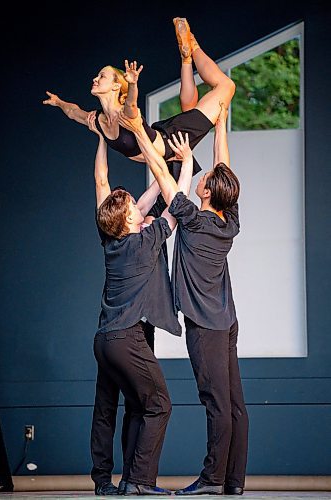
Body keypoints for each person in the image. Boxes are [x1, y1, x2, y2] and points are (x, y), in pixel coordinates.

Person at [120, 103, 249, 496]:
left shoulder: (192, 217)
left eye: (205, 177)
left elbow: (162, 173)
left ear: (206, 191)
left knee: (216, 403)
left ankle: (212, 480)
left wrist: (140, 133)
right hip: (225, 322)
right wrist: (221, 124)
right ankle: (233, 482)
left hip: (207, 327)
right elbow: (224, 169)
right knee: (234, 405)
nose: (204, 176)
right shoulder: (229, 219)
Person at [88, 111, 194, 496]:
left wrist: (103, 136)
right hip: (127, 339)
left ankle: (111, 481)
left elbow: (108, 185)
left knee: (118, 407)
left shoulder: (111, 238)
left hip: (104, 340)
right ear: (131, 219)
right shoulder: (146, 242)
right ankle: (140, 481)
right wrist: (183, 165)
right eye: (133, 205)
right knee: (159, 404)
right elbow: (175, 206)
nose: (137, 203)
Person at [43, 18, 235, 182]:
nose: (95, 79)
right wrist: (59, 102)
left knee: (225, 87)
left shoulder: (126, 114)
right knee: (192, 109)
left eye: (101, 76)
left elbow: (131, 104)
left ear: (117, 86)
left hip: (171, 142)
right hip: (168, 139)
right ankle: (186, 56)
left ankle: (192, 48)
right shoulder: (98, 120)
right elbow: (73, 112)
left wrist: (133, 84)